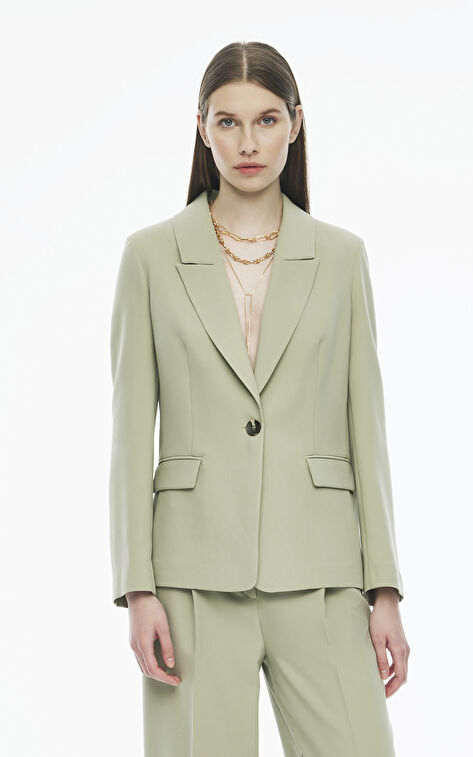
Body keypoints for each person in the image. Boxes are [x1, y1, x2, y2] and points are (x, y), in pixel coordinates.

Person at [109, 40, 410, 757]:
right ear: (202, 128)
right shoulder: (149, 257)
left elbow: (365, 429)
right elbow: (129, 434)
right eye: (228, 122)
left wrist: (385, 590)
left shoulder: (342, 257)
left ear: (295, 124)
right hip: (192, 576)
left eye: (267, 120)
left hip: (322, 572)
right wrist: (138, 586)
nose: (247, 143)